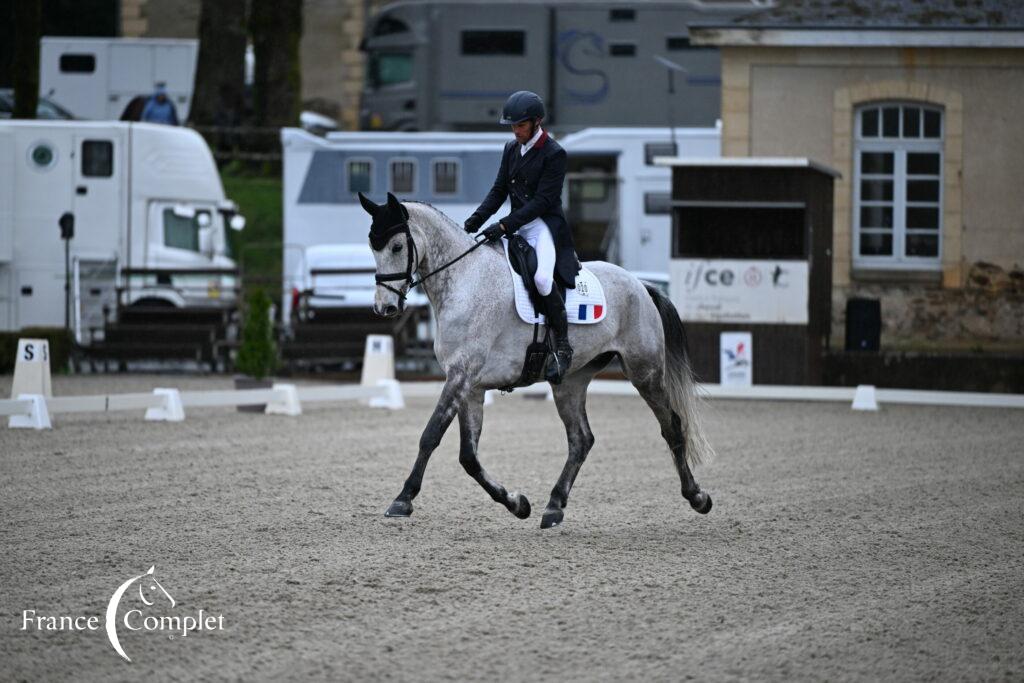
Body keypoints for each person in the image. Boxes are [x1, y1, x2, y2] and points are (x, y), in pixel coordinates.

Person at [464, 90, 580, 384]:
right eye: (513, 127)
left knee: (542, 279)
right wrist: (477, 218)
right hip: (517, 224)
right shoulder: (511, 149)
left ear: (536, 122)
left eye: (521, 126)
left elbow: (542, 201)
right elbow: (499, 189)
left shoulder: (555, 153)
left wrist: (503, 226)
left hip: (542, 225)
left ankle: (563, 347)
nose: (516, 131)